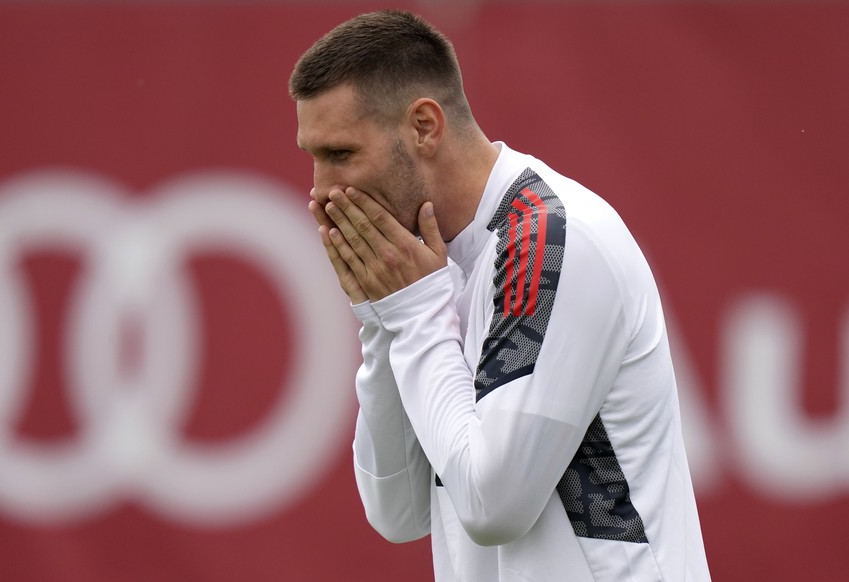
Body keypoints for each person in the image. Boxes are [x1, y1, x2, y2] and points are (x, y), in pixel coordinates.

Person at [289, 9, 710, 582]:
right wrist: (382, 318)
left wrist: (412, 314)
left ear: (424, 127)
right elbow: (399, 510)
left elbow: (495, 507)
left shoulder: (549, 239)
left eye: (340, 154)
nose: (320, 189)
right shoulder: (428, 273)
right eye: (312, 157)